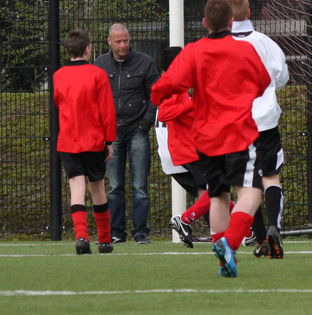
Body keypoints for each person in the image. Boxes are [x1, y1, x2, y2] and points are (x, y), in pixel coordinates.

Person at [151, 0, 270, 277]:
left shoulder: (194, 51)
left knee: (217, 196)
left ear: (205, 23)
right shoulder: (244, 49)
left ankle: (223, 258)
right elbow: (263, 82)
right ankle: (229, 243)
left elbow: (164, 87)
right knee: (251, 193)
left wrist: (163, 94)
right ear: (231, 21)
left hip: (205, 138)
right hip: (238, 133)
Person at [225, 0, 290, 259]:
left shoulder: (218, 46)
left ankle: (262, 236)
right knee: (271, 177)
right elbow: (282, 77)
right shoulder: (265, 42)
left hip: (235, 125)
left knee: (245, 185)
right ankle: (274, 229)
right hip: (265, 121)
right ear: (249, 13)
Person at [94, 23, 160, 244]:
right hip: (111, 133)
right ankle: (116, 232)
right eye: (119, 41)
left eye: (126, 40)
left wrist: (146, 123)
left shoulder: (145, 62)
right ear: (109, 42)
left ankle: (141, 232)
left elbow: (155, 94)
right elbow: (94, 96)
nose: (123, 45)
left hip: (137, 130)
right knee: (114, 186)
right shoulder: (100, 64)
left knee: (140, 185)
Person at [53, 29, 117, 255]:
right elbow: (107, 110)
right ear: (88, 49)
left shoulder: (59, 75)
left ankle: (81, 237)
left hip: (68, 139)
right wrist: (109, 140)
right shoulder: (98, 74)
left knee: (76, 187)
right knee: (97, 186)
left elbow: (59, 102)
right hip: (93, 139)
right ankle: (105, 240)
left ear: (67, 51)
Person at [153, 46, 208, 248]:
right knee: (217, 188)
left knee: (209, 192)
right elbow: (164, 113)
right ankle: (184, 220)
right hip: (188, 149)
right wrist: (192, 104)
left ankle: (240, 230)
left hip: (185, 148)